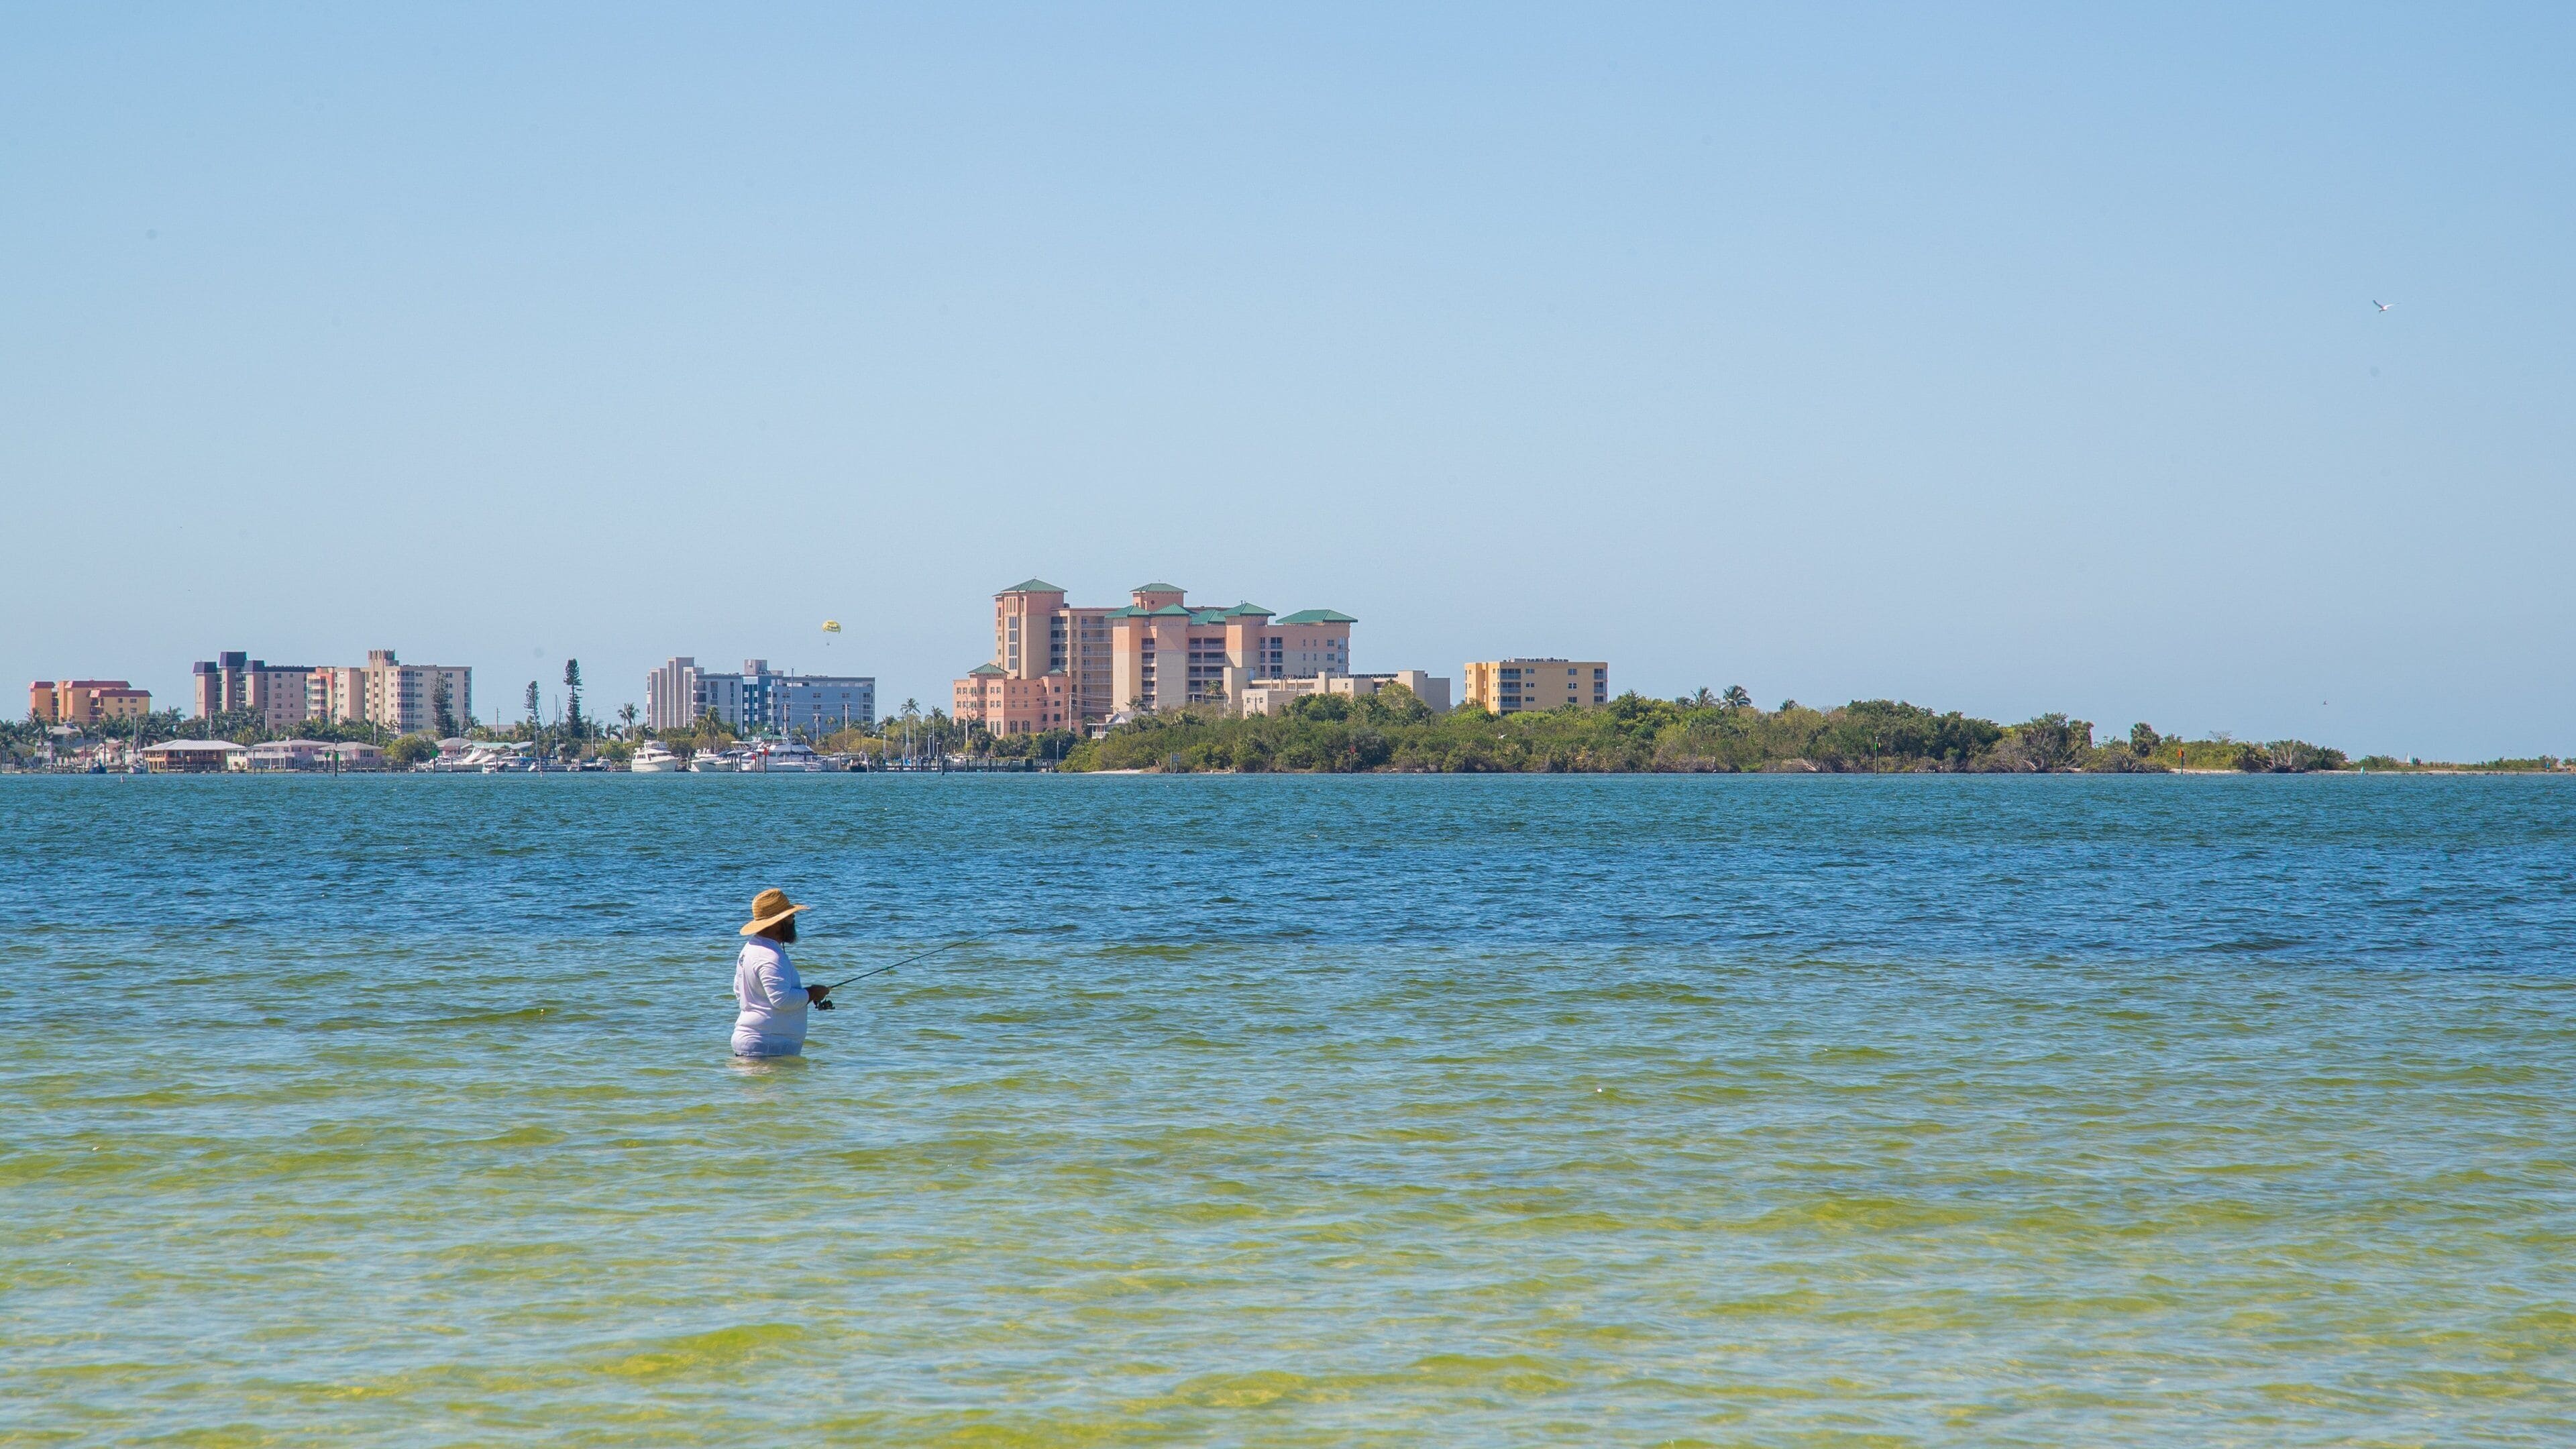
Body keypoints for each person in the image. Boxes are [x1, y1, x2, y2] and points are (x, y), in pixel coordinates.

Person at [731, 888, 832, 1057]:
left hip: (757, 1043)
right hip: (768, 1046)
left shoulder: (750, 948)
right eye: (792, 917)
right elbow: (782, 1000)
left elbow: (738, 992)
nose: (794, 921)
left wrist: (805, 996)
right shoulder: (770, 956)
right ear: (779, 922)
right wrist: (813, 993)